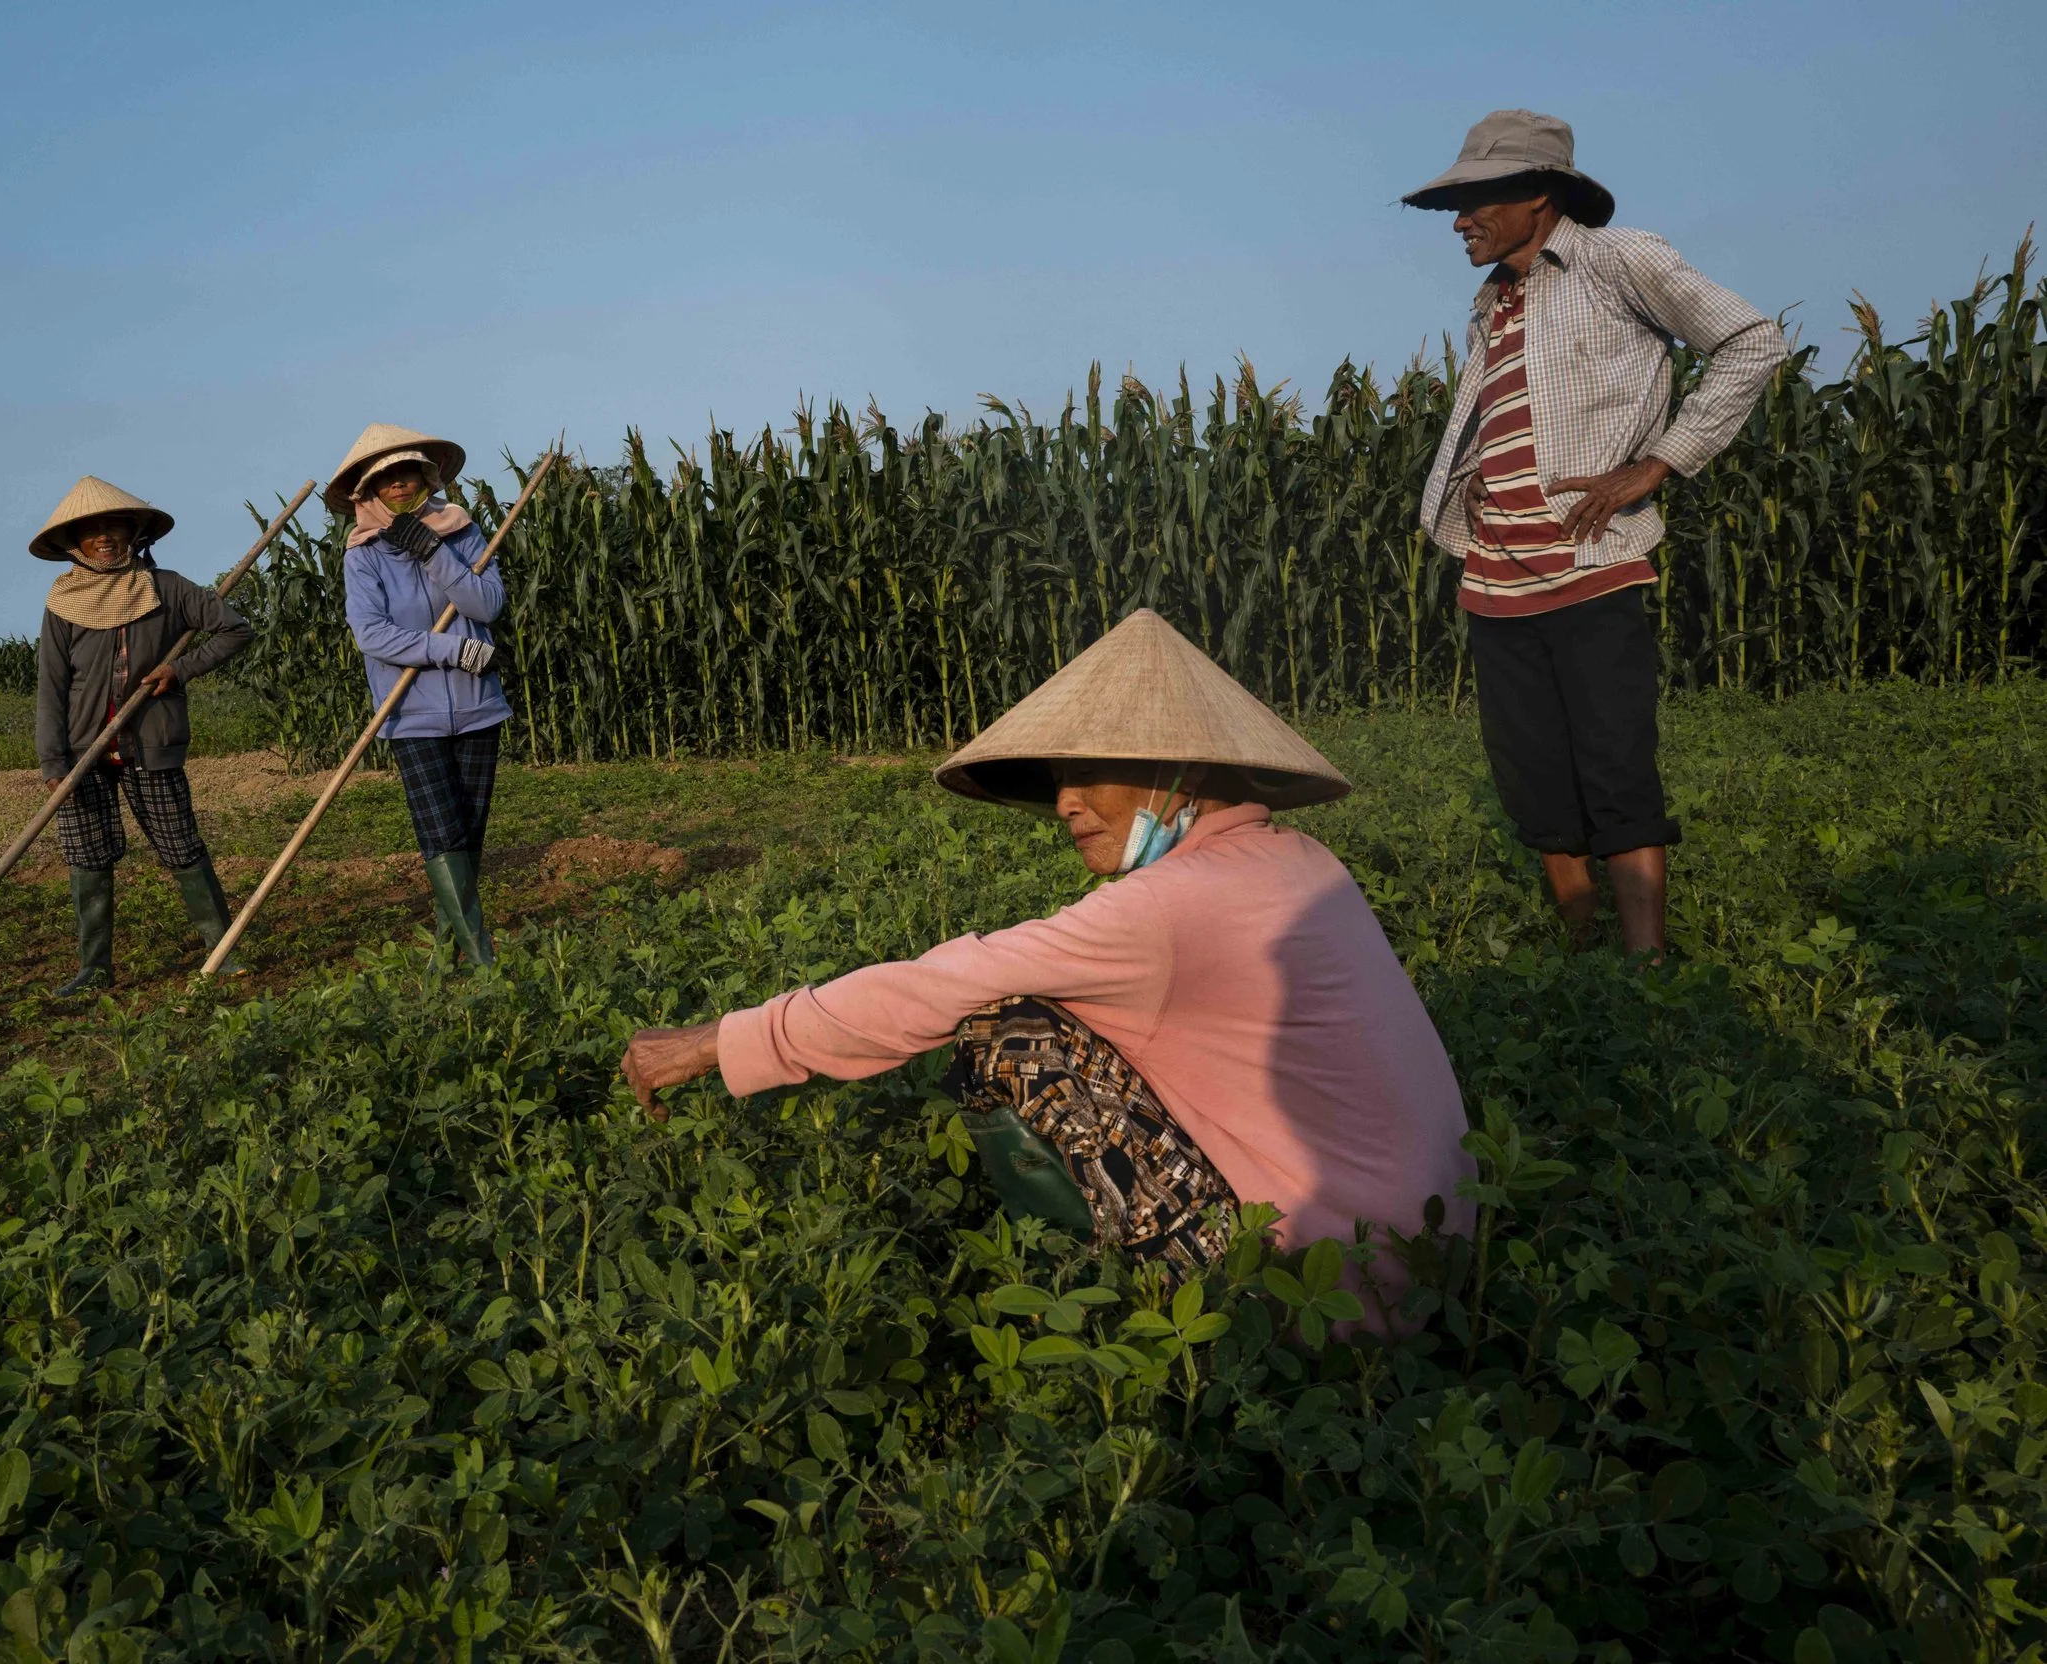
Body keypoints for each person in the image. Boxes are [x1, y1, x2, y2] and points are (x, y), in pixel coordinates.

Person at [620, 610, 1472, 1323]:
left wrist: (717, 1042)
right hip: (1436, 1252)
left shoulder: (1167, 909)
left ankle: (1106, 1314)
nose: (1064, 803)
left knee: (1009, 1031)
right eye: (1060, 778)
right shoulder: (1300, 859)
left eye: (1087, 771)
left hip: (1330, 1292)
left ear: (1179, 767)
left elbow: (940, 985)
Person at [1404, 110, 1781, 958]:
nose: (1460, 219)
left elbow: (1752, 339)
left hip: (1591, 564)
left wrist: (1658, 462)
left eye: (1475, 200)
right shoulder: (1493, 300)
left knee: (1614, 759)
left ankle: (1645, 966)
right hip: (1494, 581)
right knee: (1530, 770)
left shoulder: (1618, 260)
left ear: (1538, 194)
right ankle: (1582, 954)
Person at [32, 475, 255, 996]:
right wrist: (52, 762)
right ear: (75, 543)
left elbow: (236, 629)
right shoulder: (62, 604)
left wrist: (180, 669)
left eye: (116, 527)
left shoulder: (167, 588)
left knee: (180, 845)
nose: (106, 537)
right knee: (88, 854)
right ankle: (94, 968)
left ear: (134, 535)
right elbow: (51, 687)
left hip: (151, 744)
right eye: (93, 530)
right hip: (82, 751)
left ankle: (221, 952)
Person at [327, 422, 508, 966]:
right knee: (440, 832)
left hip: (478, 707)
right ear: (369, 491)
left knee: (469, 832)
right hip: (411, 715)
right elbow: (372, 634)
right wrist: (451, 651)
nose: (399, 484)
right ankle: (480, 956)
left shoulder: (462, 533)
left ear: (425, 476)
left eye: (407, 472)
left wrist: (434, 551)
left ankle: (446, 948)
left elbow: (485, 606)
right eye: (386, 478)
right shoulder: (363, 554)